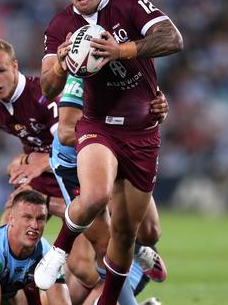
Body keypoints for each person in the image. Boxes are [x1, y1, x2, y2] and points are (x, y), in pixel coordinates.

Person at [35, 0, 183, 305]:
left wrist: (122, 51)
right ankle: (58, 251)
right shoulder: (60, 27)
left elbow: (173, 40)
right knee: (98, 196)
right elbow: (47, 87)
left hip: (142, 132)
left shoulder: (129, 5)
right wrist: (64, 65)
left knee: (134, 232)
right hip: (98, 128)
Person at [52, 75, 168, 305]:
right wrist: (105, 135)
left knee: (150, 232)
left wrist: (158, 109)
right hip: (75, 165)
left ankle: (136, 248)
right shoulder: (83, 73)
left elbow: (149, 106)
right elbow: (65, 133)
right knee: (99, 252)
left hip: (121, 152)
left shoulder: (131, 73)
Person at [0, 38, 66, 222]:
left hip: (71, 172)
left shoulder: (44, 95)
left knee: (88, 248)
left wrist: (29, 160)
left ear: (14, 66)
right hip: (36, 176)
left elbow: (72, 149)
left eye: (1, 71)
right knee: (10, 224)